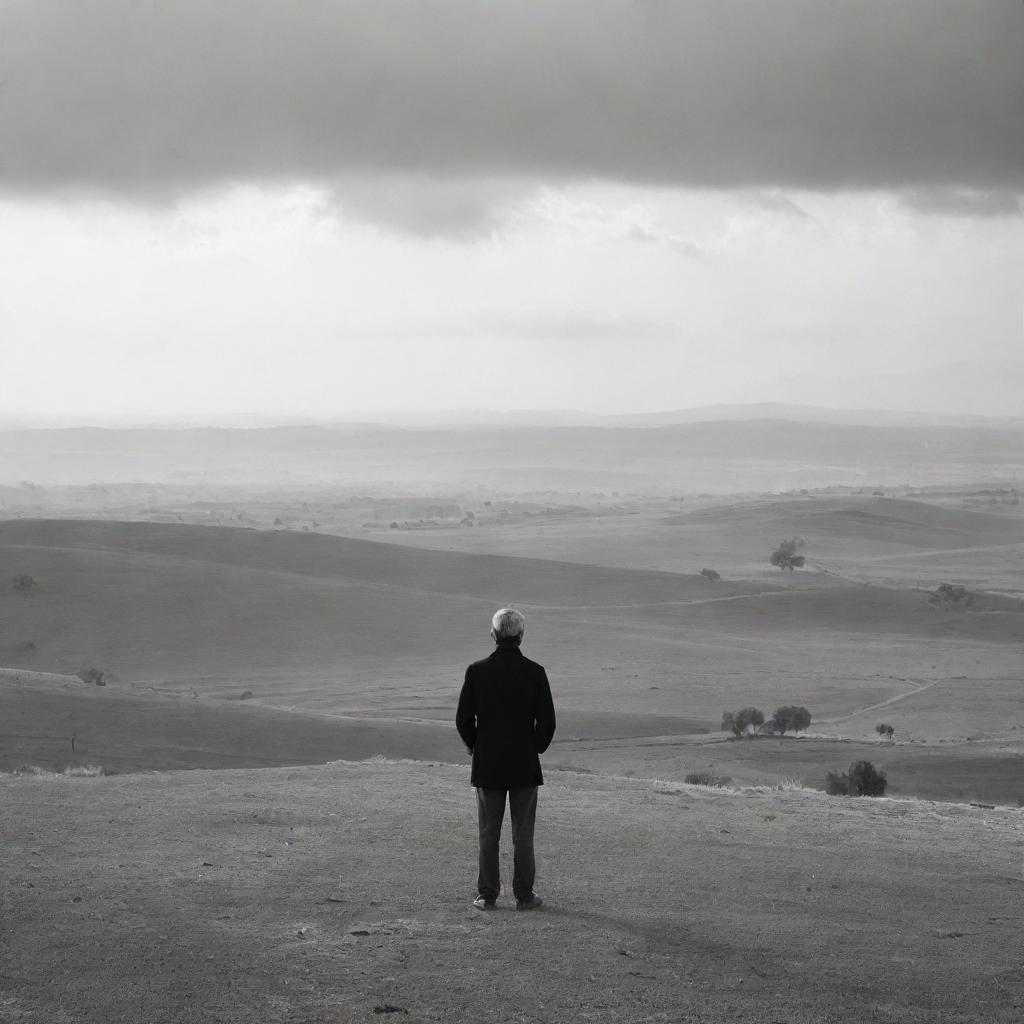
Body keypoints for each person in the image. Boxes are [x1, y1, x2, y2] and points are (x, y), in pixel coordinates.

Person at [456, 607, 556, 911]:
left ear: (493, 634)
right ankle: (524, 896)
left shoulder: (477, 671)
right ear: (521, 636)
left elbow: (463, 719)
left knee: (488, 834)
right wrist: (533, 747)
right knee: (523, 836)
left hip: (488, 766)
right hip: (524, 766)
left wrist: (477, 746)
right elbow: (547, 723)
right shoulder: (535, 672)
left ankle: (487, 894)